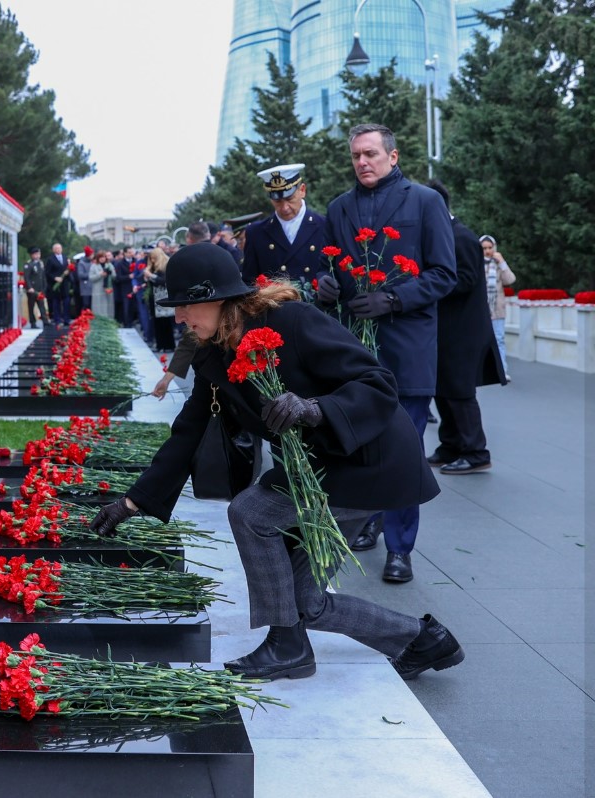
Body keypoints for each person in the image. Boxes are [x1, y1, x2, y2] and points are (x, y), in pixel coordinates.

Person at [90, 244, 463, 682]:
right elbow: (188, 432)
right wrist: (131, 503)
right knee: (305, 600)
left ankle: (286, 646)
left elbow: (378, 382)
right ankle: (422, 641)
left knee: (251, 512)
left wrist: (314, 408)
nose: (179, 318)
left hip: (369, 459)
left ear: (219, 299)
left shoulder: (292, 321)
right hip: (323, 464)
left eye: (186, 305)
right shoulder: (213, 352)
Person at [318, 123, 456, 582]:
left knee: (404, 448)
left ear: (392, 157)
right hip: (356, 346)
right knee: (361, 443)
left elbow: (443, 274)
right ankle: (369, 520)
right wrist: (327, 288)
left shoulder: (425, 202)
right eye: (356, 155)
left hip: (408, 346)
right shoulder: (339, 208)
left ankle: (401, 547)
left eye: (371, 154)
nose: (363, 162)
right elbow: (336, 270)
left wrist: (394, 299)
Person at [425, 181, 506, 474]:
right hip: (445, 331)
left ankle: (476, 452)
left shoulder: (462, 237)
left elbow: (467, 279)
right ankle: (450, 445)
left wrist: (427, 284)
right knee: (442, 389)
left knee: (460, 392)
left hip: (463, 331)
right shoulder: (443, 235)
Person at [241, 163, 328, 293]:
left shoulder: (324, 226)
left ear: (302, 190)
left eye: (289, 199)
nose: (285, 207)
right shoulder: (256, 233)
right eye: (278, 202)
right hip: (275, 310)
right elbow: (249, 283)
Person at [480, 235, 516, 376]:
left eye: (490, 247)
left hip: (497, 309)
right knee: (481, 342)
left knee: (499, 339)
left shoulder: (498, 265)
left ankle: (502, 371)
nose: (487, 251)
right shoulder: (476, 263)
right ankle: (482, 371)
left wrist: (502, 262)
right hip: (480, 310)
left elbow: (510, 280)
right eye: (484, 248)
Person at [146, 247, 175, 351]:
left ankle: (169, 346)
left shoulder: (166, 265)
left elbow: (163, 281)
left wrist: (151, 276)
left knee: (166, 323)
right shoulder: (154, 266)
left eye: (153, 258)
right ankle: (160, 345)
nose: (152, 260)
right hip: (155, 298)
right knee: (157, 323)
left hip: (163, 297)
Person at [45, 243, 71, 325]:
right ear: (53, 250)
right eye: (56, 248)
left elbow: (69, 269)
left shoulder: (65, 258)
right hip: (55, 285)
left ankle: (66, 319)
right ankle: (57, 319)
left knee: (66, 302)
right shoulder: (50, 259)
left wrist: (68, 271)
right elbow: (47, 272)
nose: (58, 250)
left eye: (59, 248)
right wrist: (55, 278)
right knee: (56, 302)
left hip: (64, 284)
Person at [22, 246, 48, 328]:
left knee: (42, 305)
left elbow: (42, 276)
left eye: (39, 254)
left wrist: (44, 286)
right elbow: (27, 277)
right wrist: (29, 287)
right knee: (31, 305)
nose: (37, 255)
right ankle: (32, 322)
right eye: (36, 254)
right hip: (32, 289)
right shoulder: (29, 264)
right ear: (32, 255)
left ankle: (45, 321)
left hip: (40, 288)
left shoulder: (40, 263)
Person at [89, 250, 115, 318]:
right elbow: (91, 278)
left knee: (108, 307)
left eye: (103, 257)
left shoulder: (109, 265)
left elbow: (114, 276)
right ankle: (99, 321)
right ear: (97, 258)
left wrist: (110, 273)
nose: (102, 259)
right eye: (100, 257)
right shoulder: (94, 266)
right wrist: (100, 274)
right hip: (98, 290)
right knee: (99, 308)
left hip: (108, 289)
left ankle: (109, 321)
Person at [75, 245, 95, 313]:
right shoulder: (81, 263)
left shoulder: (93, 262)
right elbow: (80, 275)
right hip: (85, 288)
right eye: (92, 254)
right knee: (86, 304)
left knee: (92, 305)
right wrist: (91, 274)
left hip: (93, 287)